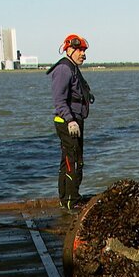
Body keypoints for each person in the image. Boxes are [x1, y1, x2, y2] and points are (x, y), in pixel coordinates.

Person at [47, 34, 94, 212]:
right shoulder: (64, 69)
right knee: (73, 161)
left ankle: (67, 198)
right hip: (68, 123)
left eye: (84, 50)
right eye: (80, 50)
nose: (83, 54)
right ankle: (71, 201)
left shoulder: (72, 68)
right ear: (69, 49)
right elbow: (59, 100)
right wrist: (70, 120)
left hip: (74, 120)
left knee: (68, 159)